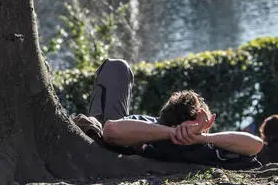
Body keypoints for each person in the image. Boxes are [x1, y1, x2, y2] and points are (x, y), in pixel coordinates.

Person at [73, 59, 263, 169]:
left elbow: (110, 130)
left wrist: (174, 133)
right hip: (131, 138)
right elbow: (256, 144)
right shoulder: (211, 150)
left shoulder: (151, 129)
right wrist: (200, 137)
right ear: (207, 121)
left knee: (117, 67)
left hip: (117, 142)